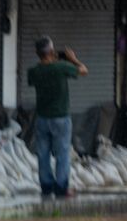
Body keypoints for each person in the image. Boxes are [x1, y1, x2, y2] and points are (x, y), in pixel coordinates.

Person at [27, 35, 88, 198]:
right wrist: (73, 59)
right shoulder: (61, 67)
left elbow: (37, 75)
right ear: (52, 51)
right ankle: (61, 188)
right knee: (62, 153)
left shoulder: (33, 72)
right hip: (61, 118)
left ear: (37, 53)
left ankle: (46, 187)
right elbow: (83, 70)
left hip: (42, 119)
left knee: (43, 154)